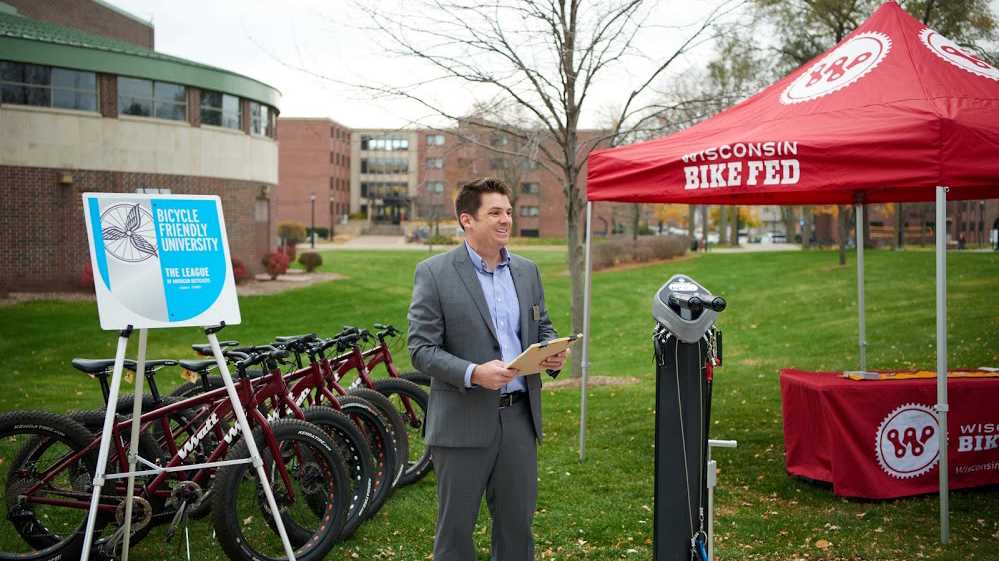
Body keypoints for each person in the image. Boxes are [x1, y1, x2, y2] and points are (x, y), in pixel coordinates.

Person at [408, 178, 566, 561]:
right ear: (467, 220)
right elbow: (420, 349)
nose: (506, 220)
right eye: (495, 212)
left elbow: (542, 326)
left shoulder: (527, 271)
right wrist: (473, 372)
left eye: (508, 212)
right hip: (462, 423)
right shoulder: (434, 273)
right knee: (456, 537)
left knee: (516, 531)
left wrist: (552, 353)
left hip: (519, 422)